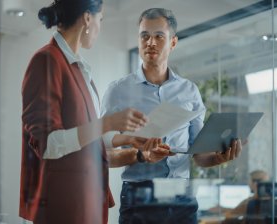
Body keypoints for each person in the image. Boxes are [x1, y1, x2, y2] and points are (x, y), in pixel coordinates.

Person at [18, 1, 167, 224]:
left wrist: (130, 141)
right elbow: (48, 144)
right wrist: (107, 123)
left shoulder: (78, 68)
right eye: (100, 19)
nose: (100, 27)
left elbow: (88, 142)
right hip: (64, 207)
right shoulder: (47, 61)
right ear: (88, 19)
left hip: (86, 203)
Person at [101, 8, 243, 224]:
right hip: (140, 197)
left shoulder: (189, 91)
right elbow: (101, 155)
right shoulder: (118, 91)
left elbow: (198, 153)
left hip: (182, 196)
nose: (150, 42)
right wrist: (140, 154)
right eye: (144, 36)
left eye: (159, 36)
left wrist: (219, 158)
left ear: (173, 43)